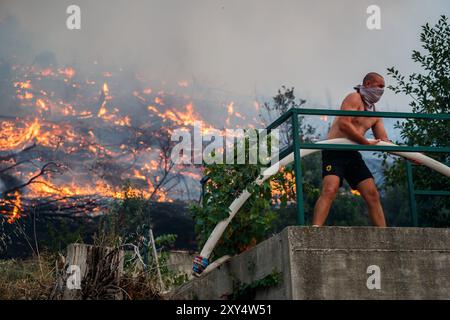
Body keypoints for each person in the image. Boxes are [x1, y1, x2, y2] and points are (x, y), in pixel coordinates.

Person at [312, 72, 388, 227]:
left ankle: (384, 234)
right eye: (379, 86)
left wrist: (409, 156)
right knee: (330, 189)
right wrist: (364, 142)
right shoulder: (354, 98)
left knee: (372, 194)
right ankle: (314, 230)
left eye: (383, 88)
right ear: (367, 84)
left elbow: (385, 141)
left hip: (352, 153)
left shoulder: (375, 114)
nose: (381, 91)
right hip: (334, 150)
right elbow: (344, 124)